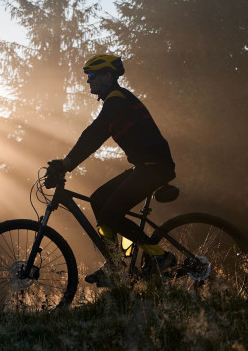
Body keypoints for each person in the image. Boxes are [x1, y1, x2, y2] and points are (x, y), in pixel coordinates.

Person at [45, 53, 177, 286]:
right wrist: (67, 164)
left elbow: (95, 134)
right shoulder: (115, 101)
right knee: (98, 200)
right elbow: (95, 134)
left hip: (154, 167)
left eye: (93, 75)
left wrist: (66, 164)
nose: (88, 81)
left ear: (108, 75)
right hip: (146, 167)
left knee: (111, 211)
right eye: (88, 76)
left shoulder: (117, 99)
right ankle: (116, 264)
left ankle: (158, 255)